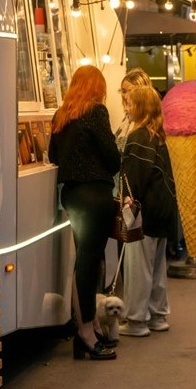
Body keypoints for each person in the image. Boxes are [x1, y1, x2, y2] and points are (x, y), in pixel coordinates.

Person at [48, 65, 120, 361]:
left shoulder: (61, 115)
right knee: (89, 265)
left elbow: (53, 156)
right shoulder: (96, 112)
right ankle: (88, 334)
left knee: (83, 263)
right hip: (95, 195)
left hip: (73, 196)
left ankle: (85, 331)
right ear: (96, 87)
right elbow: (113, 159)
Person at [117, 87, 179, 337]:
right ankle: (157, 315)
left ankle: (136, 320)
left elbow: (133, 182)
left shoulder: (138, 137)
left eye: (130, 104)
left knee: (138, 268)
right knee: (156, 268)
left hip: (143, 213)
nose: (126, 108)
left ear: (140, 107)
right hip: (163, 210)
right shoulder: (158, 136)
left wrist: (125, 207)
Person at [115, 68, 152, 151]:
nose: (125, 96)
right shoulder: (126, 120)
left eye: (131, 91)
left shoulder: (148, 122)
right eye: (124, 91)